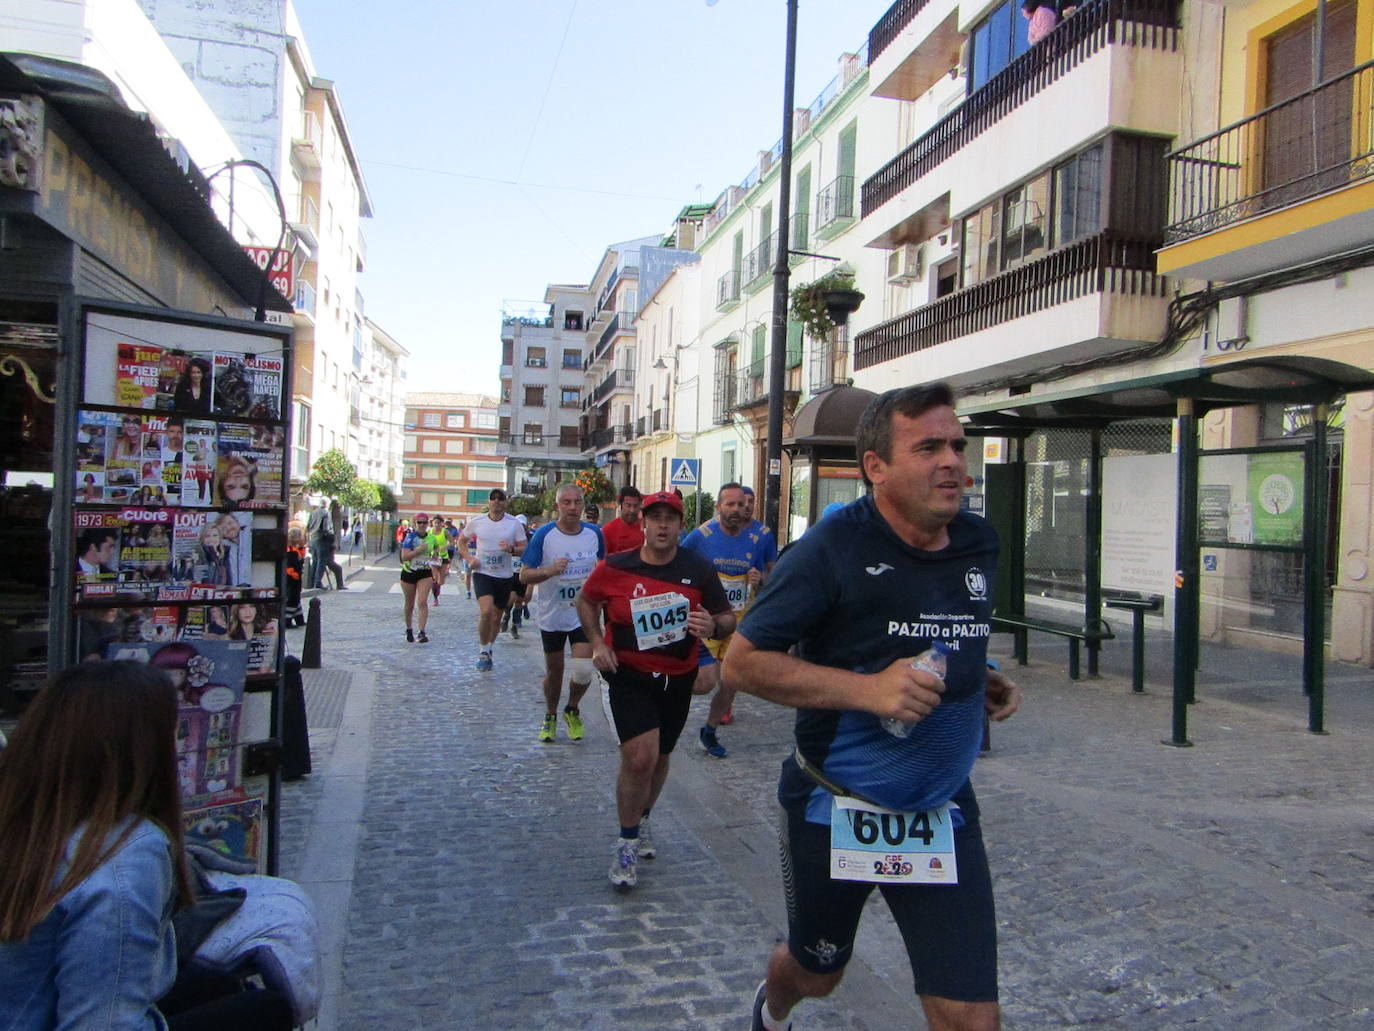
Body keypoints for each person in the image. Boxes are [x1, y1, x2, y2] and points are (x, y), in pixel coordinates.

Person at [723, 384, 1022, 1031]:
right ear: (876, 467)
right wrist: (869, 690)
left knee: (972, 1017)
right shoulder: (830, 549)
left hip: (941, 810)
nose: (951, 461)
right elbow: (740, 661)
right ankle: (772, 1008)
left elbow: (940, 627)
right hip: (837, 803)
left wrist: (980, 674)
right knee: (817, 972)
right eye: (928, 447)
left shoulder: (978, 541)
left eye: (957, 445)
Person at [0, 660, 294, 1030]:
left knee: (217, 984)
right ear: (144, 749)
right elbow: (102, 1023)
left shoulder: (24, 816)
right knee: (267, 1009)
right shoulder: (125, 852)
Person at [576, 490, 735, 890]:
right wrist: (597, 644)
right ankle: (625, 842)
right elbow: (586, 601)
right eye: (655, 518)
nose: (663, 525)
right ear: (642, 524)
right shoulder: (615, 565)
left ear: (680, 525)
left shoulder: (697, 568)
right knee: (639, 757)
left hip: (677, 676)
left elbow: (727, 617)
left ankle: (642, 818)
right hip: (627, 673)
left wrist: (712, 627)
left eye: (671, 518)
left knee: (661, 755)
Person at [683, 483, 771, 759]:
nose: (736, 510)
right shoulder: (702, 536)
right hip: (707, 619)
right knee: (703, 680)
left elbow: (772, 578)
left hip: (740, 619)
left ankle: (709, 731)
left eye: (740, 504)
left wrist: (761, 580)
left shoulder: (759, 537)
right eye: (729, 504)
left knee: (731, 679)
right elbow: (677, 564)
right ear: (719, 507)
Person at [519, 483, 605, 743]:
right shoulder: (544, 535)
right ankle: (550, 714)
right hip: (552, 615)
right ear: (557, 506)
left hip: (582, 613)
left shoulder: (594, 533)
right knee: (554, 673)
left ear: (582, 504)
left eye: (576, 502)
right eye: (566, 502)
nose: (572, 507)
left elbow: (603, 566)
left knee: (583, 670)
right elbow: (524, 574)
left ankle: (572, 707)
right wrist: (549, 571)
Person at [459, 488, 525, 671]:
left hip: (504, 576)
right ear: (488, 501)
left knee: (496, 618)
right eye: (493, 498)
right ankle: (482, 651)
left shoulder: (514, 524)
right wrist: (470, 559)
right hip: (483, 573)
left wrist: (511, 549)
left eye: (500, 498)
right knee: (486, 612)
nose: (496, 501)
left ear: (505, 502)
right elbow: (461, 541)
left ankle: (489, 648)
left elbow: (524, 548)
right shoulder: (477, 522)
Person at [398, 513, 434, 643]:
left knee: (422, 601)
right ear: (415, 524)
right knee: (409, 603)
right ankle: (409, 628)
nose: (422, 525)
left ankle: (422, 632)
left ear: (428, 524)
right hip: (409, 572)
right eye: (419, 522)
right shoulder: (410, 537)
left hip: (425, 572)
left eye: (425, 522)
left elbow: (435, 554)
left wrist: (436, 558)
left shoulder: (431, 538)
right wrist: (419, 550)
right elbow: (405, 556)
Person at [501, 514, 532, 638]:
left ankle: (514, 625)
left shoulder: (531, 538)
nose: (520, 527)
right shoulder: (509, 536)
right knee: (511, 598)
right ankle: (506, 615)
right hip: (510, 572)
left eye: (523, 525)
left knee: (519, 600)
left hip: (523, 572)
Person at [601, 485, 645, 554]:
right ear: (621, 505)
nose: (632, 510)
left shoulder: (646, 529)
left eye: (635, 506)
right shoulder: (608, 530)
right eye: (628, 505)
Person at [306, 499, 332, 589]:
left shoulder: (313, 512)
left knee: (315, 561)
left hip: (313, 539)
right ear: (327, 504)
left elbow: (308, 526)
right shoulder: (326, 513)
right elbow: (326, 528)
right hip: (322, 540)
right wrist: (330, 537)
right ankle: (318, 582)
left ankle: (312, 582)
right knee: (321, 562)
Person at [284, 526, 306, 628]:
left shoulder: (296, 549)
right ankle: (287, 620)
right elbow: (290, 567)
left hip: (295, 578)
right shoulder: (291, 551)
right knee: (293, 599)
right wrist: (295, 576)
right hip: (292, 579)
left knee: (296, 599)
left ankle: (299, 619)